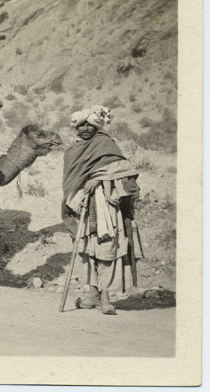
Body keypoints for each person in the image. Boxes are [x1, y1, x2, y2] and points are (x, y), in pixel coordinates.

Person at [61, 105, 144, 315]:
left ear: (96, 126)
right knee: (86, 251)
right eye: (81, 125)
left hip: (106, 206)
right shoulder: (73, 150)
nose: (85, 128)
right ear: (76, 128)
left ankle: (105, 298)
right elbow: (71, 181)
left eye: (89, 124)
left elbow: (125, 168)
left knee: (105, 249)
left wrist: (98, 178)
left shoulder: (105, 144)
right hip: (82, 207)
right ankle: (92, 295)